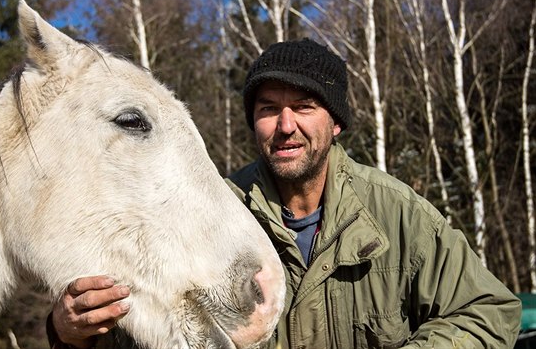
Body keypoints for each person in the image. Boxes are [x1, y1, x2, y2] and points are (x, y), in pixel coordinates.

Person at [47, 38, 521, 348]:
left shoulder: (396, 214)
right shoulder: (205, 213)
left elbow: (490, 312)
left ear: (335, 123)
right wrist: (70, 333)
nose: (286, 126)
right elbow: (145, 332)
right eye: (269, 108)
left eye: (304, 107)